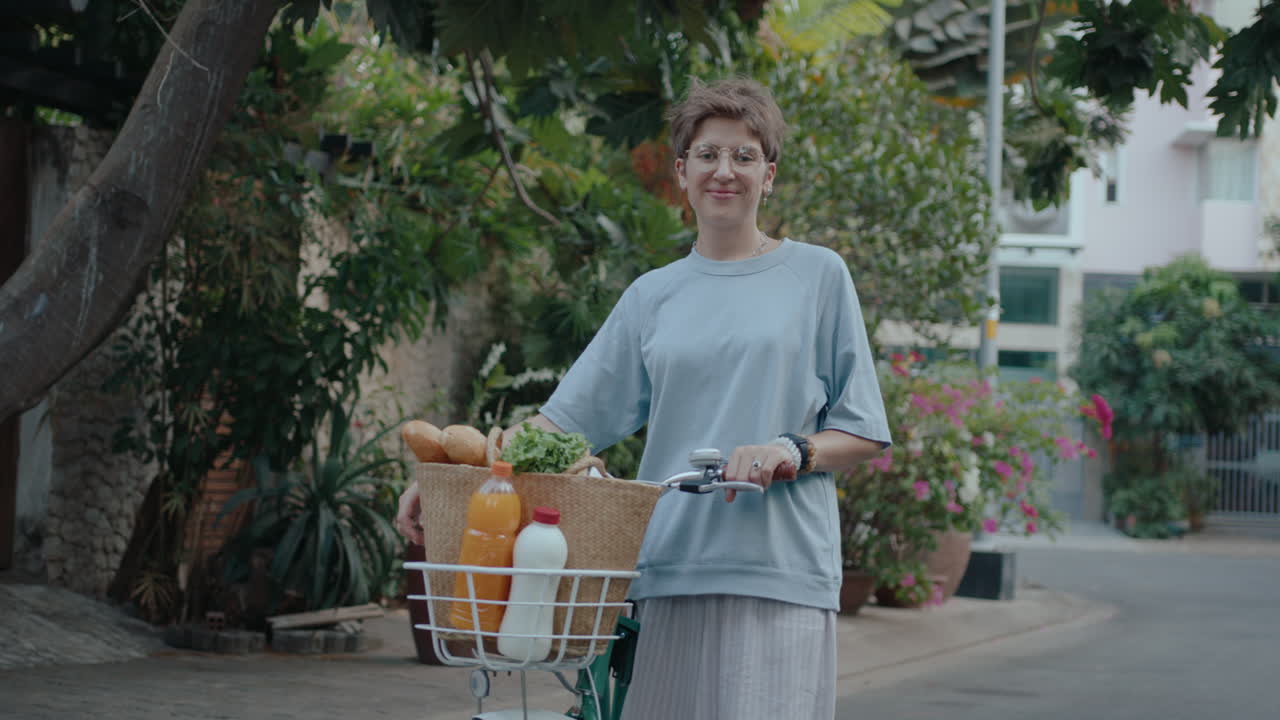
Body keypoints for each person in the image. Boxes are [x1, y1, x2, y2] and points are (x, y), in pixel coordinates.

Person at [395, 76, 891, 719]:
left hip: (781, 571)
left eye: (745, 156)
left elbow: (864, 428)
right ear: (682, 173)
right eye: (709, 155)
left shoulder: (818, 276)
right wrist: (451, 478)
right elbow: (563, 424)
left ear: (768, 175)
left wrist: (789, 448)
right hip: (668, 568)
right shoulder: (652, 296)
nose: (726, 171)